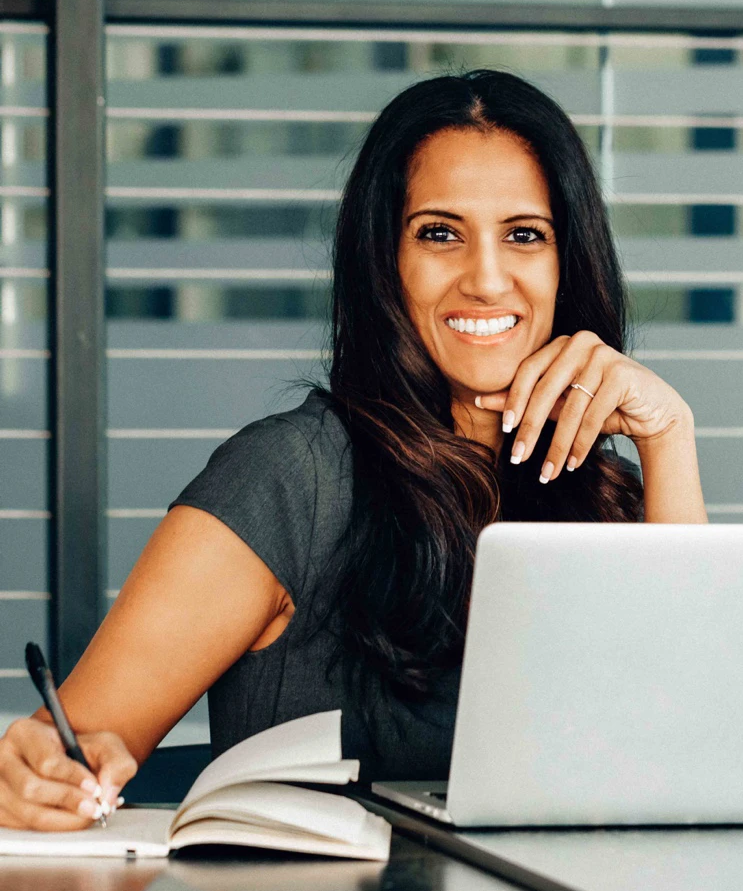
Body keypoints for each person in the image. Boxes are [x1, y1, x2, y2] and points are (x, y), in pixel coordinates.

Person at [0, 69, 707, 831]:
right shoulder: (294, 479)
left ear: (570, 261)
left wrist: (670, 439)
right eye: (440, 234)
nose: (487, 277)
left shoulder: (605, 496)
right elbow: (73, 749)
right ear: (385, 262)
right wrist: (44, 773)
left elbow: (698, 751)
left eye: (524, 235)